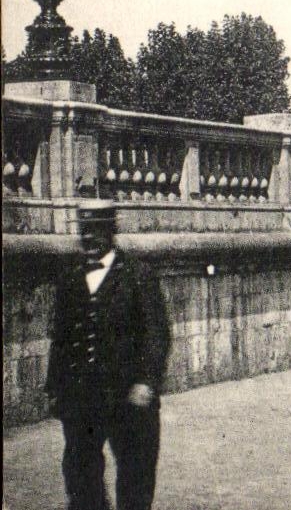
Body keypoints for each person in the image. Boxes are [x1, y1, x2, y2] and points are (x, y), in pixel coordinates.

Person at [46, 196, 171, 510]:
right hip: (82, 397)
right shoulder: (70, 276)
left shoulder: (138, 275)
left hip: (128, 397)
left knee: (135, 479)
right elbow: (60, 336)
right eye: (84, 229)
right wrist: (55, 386)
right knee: (80, 474)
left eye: (96, 230)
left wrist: (146, 382)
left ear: (112, 231)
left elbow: (157, 334)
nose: (88, 237)